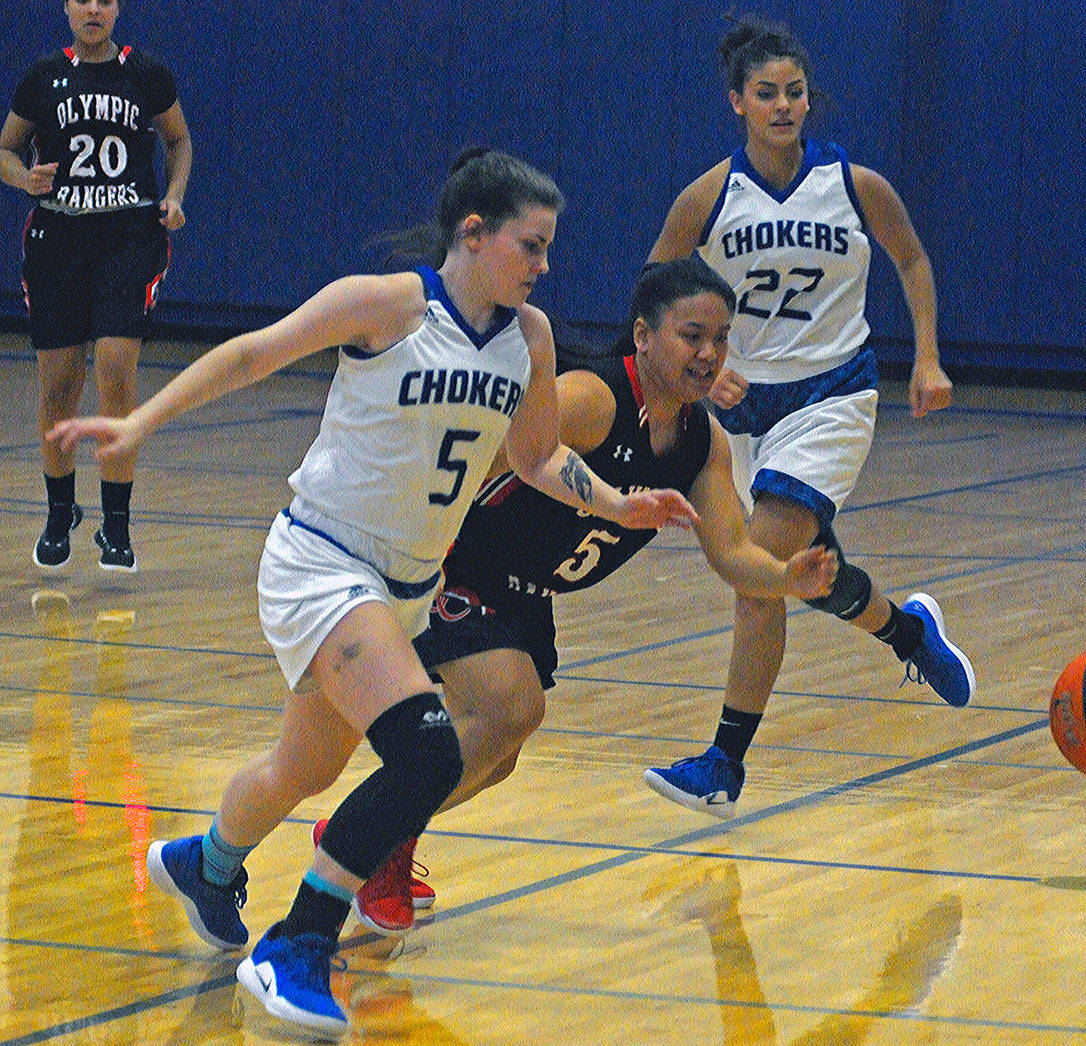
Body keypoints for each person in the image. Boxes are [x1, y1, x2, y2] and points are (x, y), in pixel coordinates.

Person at [48, 149, 699, 1039]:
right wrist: (140, 420)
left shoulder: (530, 338)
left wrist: (620, 504)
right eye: (531, 246)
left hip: (405, 588)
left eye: (549, 248)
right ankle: (298, 943)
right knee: (426, 755)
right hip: (321, 562)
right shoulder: (389, 305)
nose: (545, 266)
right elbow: (252, 353)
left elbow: (536, 456)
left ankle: (207, 862)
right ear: (474, 233)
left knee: (304, 769)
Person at [315, 256, 839, 936]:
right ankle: (371, 843)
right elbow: (483, 450)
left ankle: (368, 829)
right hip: (460, 560)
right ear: (644, 336)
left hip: (525, 590)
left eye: (720, 338)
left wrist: (786, 578)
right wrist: (421, 541)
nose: (709, 353)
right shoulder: (595, 399)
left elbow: (734, 554)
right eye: (692, 335)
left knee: (498, 755)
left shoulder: (701, 442)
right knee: (510, 707)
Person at [641, 14, 975, 819]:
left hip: (832, 396)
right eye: (767, 93)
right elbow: (655, 289)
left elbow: (911, 257)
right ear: (738, 102)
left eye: (794, 92)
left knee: (754, 569)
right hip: (740, 412)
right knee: (806, 576)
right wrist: (701, 368)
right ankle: (908, 634)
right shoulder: (707, 197)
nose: (784, 105)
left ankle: (723, 765)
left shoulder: (856, 185)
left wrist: (927, 356)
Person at [1, 0, 191, 573]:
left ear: (117, 9)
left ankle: (117, 522)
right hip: (58, 239)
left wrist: (174, 195)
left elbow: (178, 141)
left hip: (127, 237)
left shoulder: (146, 74)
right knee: (59, 384)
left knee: (114, 370)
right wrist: (24, 178)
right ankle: (60, 512)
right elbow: (5, 150)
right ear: (67, 7)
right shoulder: (43, 77)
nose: (93, 9)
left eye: (104, 0)